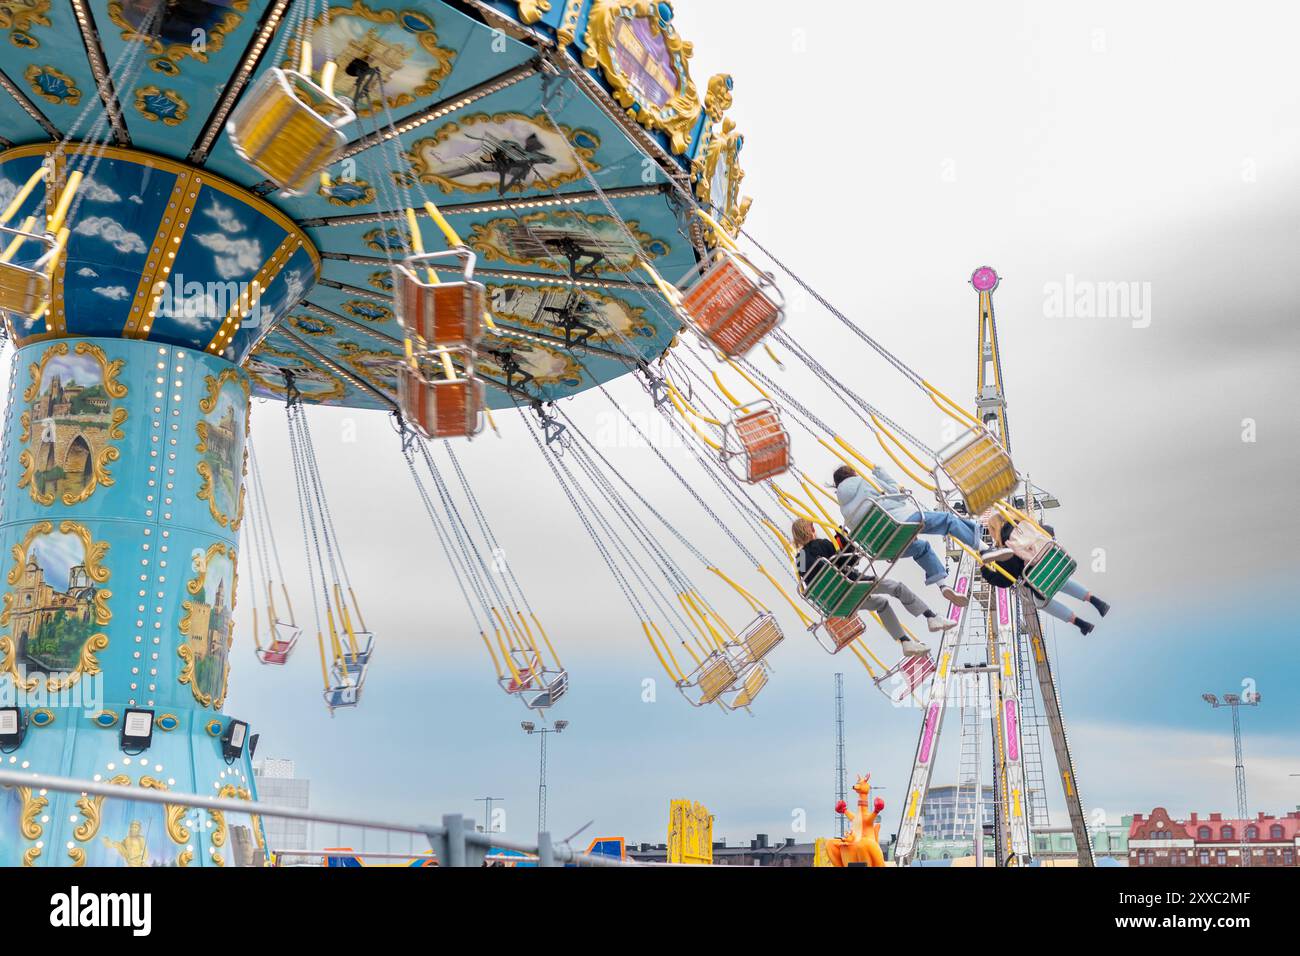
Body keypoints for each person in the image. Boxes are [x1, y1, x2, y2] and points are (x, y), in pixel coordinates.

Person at [792, 519, 955, 656]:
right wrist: (847, 544)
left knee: (881, 603)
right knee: (896, 587)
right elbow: (845, 563)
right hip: (849, 585)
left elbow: (810, 580)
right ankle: (930, 617)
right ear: (812, 529)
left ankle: (905, 642)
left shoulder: (799, 558)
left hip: (836, 601)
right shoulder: (822, 544)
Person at [832, 464, 977, 607]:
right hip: (899, 523)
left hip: (885, 547)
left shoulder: (844, 511)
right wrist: (881, 474)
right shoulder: (866, 482)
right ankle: (981, 545)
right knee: (947, 519)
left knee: (922, 548)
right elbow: (899, 495)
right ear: (853, 474)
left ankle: (943, 586)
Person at [980, 515, 1111, 635]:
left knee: (1041, 601)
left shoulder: (1005, 550)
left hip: (1040, 581)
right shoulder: (1027, 525)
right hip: (1058, 564)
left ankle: (1080, 623)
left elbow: (1006, 581)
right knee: (1059, 579)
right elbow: (1049, 531)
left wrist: (985, 570)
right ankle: (1097, 602)